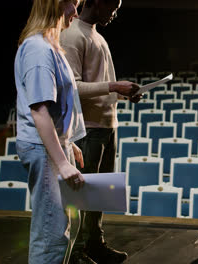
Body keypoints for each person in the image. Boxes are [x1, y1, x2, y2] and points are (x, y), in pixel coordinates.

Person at [60, 0, 141, 263]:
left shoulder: (97, 35)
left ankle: (95, 243)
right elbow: (73, 87)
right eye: (112, 6)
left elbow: (104, 87)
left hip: (107, 126)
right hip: (88, 130)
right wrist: (114, 86)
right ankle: (78, 250)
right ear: (96, 2)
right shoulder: (72, 35)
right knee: (84, 195)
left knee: (99, 194)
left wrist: (124, 94)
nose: (115, 12)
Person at [14, 0, 85, 263]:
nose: (76, 13)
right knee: (51, 237)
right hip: (43, 150)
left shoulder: (49, 46)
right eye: (73, 4)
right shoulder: (38, 49)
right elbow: (39, 111)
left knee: (62, 229)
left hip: (50, 145)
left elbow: (53, 110)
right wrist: (62, 162)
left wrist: (68, 143)